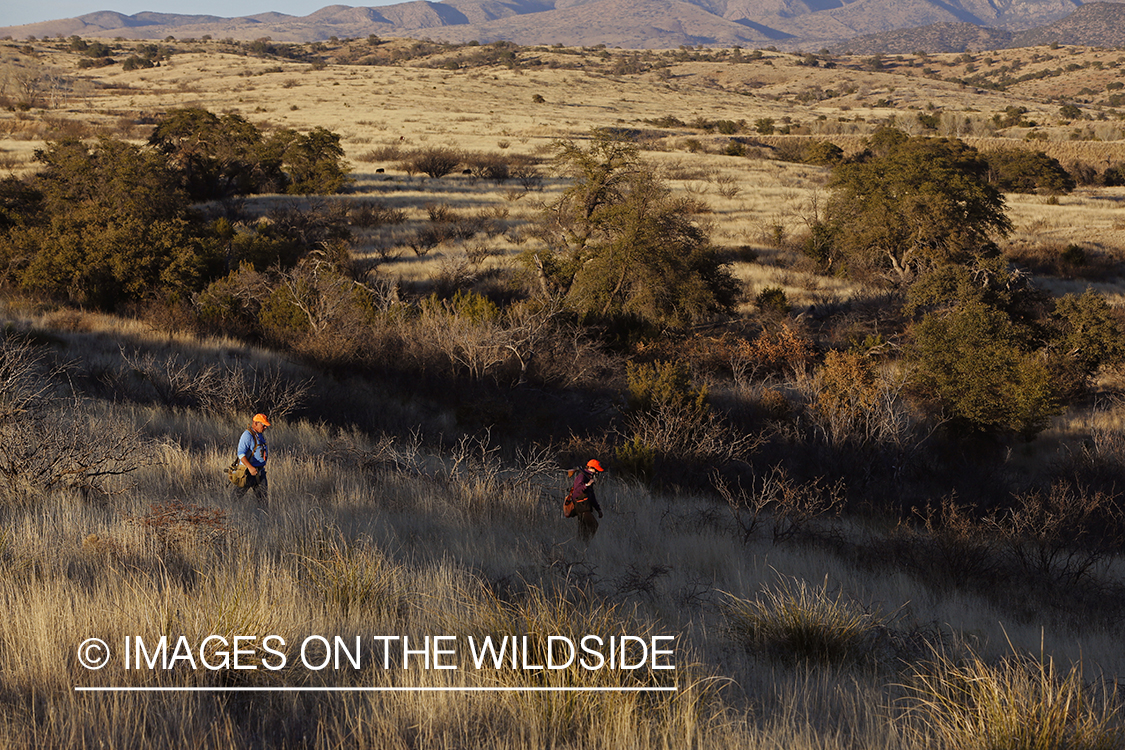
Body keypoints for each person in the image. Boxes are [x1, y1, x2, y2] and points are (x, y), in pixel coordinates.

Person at [235, 413, 270, 505]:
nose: (265, 427)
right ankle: (227, 512)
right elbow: (241, 454)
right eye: (263, 425)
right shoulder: (247, 435)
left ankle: (262, 514)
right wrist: (250, 468)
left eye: (266, 425)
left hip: (260, 472)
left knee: (263, 502)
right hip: (247, 473)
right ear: (255, 423)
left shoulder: (259, 434)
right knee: (235, 498)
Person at [567, 459, 605, 540]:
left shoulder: (588, 477)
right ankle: (585, 543)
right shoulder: (582, 476)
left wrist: (598, 509)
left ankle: (581, 545)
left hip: (585, 506)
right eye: (596, 470)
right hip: (581, 506)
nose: (597, 472)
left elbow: (592, 496)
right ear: (590, 468)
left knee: (583, 529)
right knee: (593, 525)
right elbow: (577, 490)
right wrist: (587, 485)